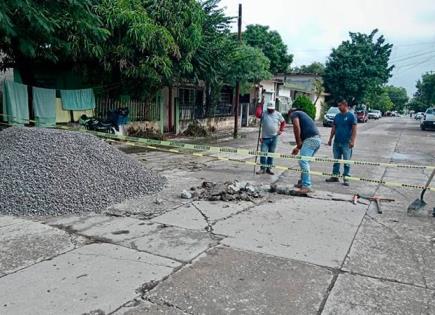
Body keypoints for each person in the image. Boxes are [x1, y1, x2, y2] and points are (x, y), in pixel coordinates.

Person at [326, 98, 357, 186]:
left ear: (345, 105)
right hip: (337, 142)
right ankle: (335, 176)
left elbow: (354, 130)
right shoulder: (337, 116)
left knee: (347, 161)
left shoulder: (351, 116)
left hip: (346, 143)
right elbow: (334, 128)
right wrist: (330, 139)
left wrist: (352, 141)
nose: (339, 107)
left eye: (340, 105)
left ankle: (346, 177)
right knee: (336, 160)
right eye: (338, 105)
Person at [289, 108, 321, 193]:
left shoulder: (294, 114)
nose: (291, 119)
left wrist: (298, 142)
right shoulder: (303, 115)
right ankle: (302, 182)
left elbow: (296, 126)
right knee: (305, 162)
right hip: (316, 139)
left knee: (303, 162)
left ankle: (307, 186)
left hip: (311, 140)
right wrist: (298, 147)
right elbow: (306, 137)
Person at [255, 101, 285, 175]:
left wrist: (281, 130)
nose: (270, 110)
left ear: (274, 108)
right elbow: (258, 114)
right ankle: (263, 168)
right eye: (269, 108)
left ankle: (269, 168)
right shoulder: (264, 113)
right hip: (265, 138)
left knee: (271, 154)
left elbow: (283, 122)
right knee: (263, 153)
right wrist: (260, 105)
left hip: (274, 137)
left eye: (271, 109)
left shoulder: (278, 114)